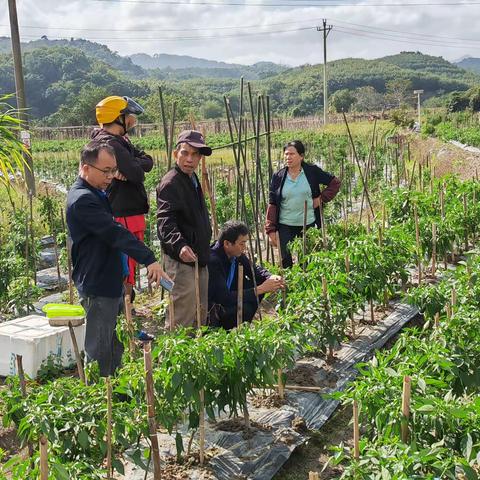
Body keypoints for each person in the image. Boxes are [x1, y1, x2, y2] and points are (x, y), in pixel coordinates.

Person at [66, 140, 170, 377]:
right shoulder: (83, 199)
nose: (111, 176)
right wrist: (148, 258)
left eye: (113, 170)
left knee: (115, 343)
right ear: (85, 167)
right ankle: (102, 403)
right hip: (98, 282)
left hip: (107, 280)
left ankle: (117, 397)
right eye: (106, 171)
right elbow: (114, 233)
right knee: (100, 350)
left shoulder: (96, 192)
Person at [92, 95, 154, 301]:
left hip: (130, 211)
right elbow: (137, 174)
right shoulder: (110, 144)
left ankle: (127, 311)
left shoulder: (121, 141)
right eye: (128, 116)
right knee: (124, 266)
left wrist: (133, 164)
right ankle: (124, 313)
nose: (132, 121)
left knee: (129, 265)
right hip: (122, 213)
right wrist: (134, 167)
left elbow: (147, 162)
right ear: (118, 118)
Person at [156, 130, 212, 329]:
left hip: (198, 256)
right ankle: (174, 359)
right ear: (175, 154)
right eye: (185, 153)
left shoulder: (191, 178)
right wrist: (179, 245)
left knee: (199, 313)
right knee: (182, 317)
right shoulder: (171, 182)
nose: (190, 159)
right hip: (181, 261)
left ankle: (195, 357)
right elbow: (165, 220)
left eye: (195, 155)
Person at [265, 140, 341, 268]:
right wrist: (270, 230)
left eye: (292, 154)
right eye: (286, 154)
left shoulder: (312, 172)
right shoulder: (278, 176)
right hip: (285, 225)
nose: (288, 157)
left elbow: (335, 183)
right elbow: (272, 203)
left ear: (301, 156)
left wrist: (321, 198)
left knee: (307, 261)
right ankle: (287, 287)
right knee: (285, 263)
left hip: (308, 225)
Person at [208, 221, 285, 330]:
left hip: (232, 296)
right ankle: (229, 328)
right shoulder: (213, 261)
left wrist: (270, 277)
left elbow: (255, 271)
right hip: (217, 308)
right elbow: (224, 298)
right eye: (241, 243)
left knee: (259, 282)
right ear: (227, 244)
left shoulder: (235, 254)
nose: (244, 247)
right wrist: (261, 289)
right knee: (247, 308)